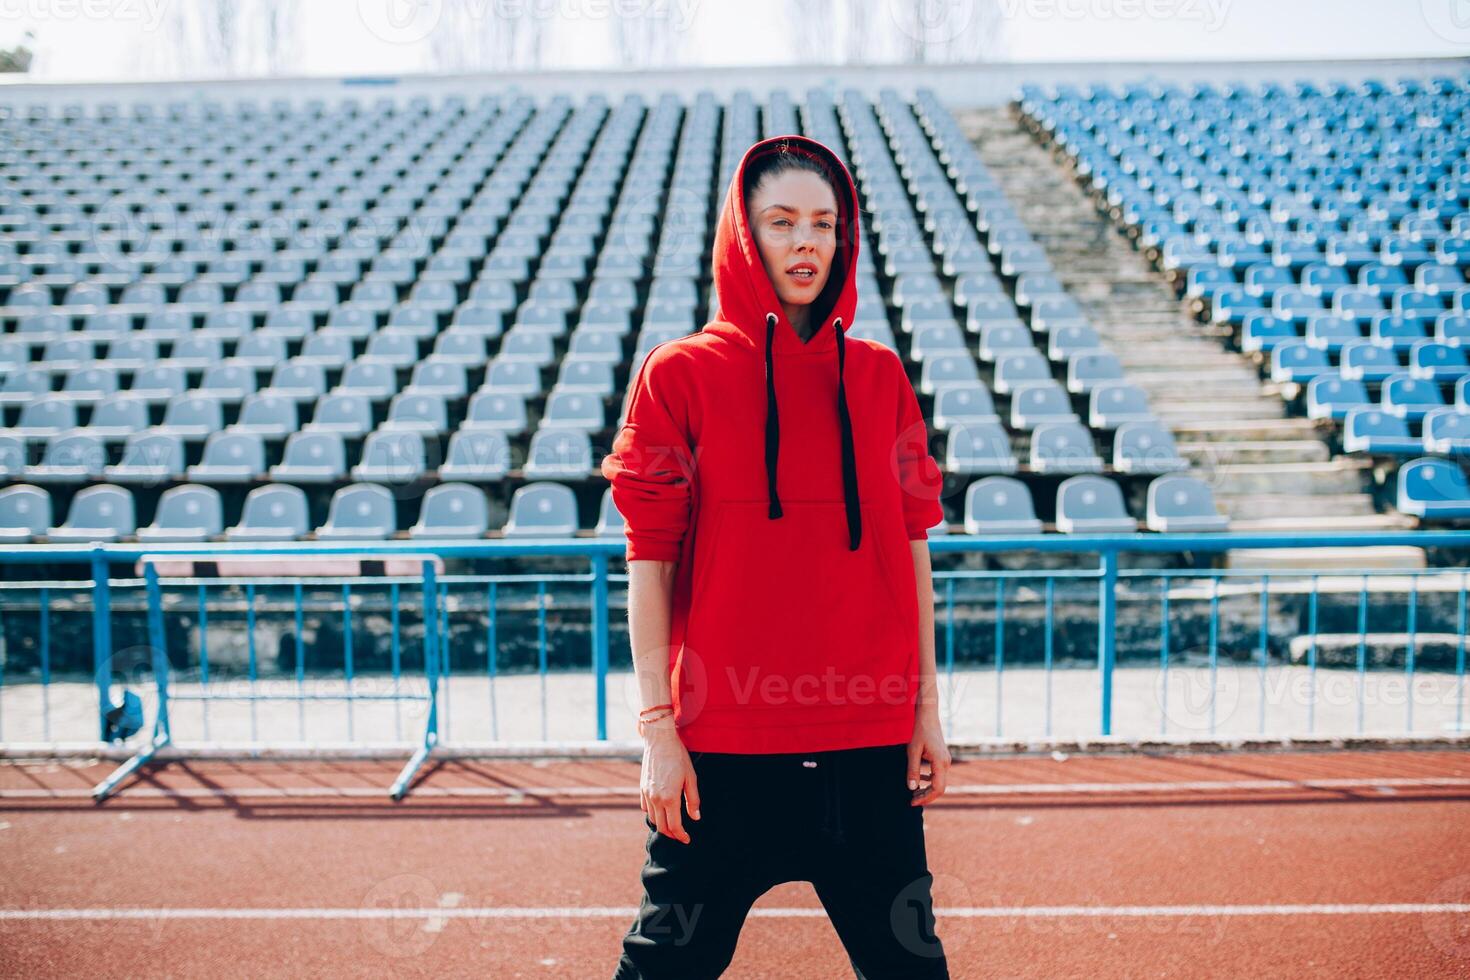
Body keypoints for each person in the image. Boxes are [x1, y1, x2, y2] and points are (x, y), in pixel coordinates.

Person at [603, 133, 952, 979]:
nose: (806, 242)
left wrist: (925, 710)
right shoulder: (678, 374)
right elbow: (647, 562)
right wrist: (657, 730)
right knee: (661, 972)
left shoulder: (880, 377)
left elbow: (913, 551)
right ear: (743, 235)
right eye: (782, 221)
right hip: (722, 752)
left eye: (825, 223)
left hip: (866, 751)